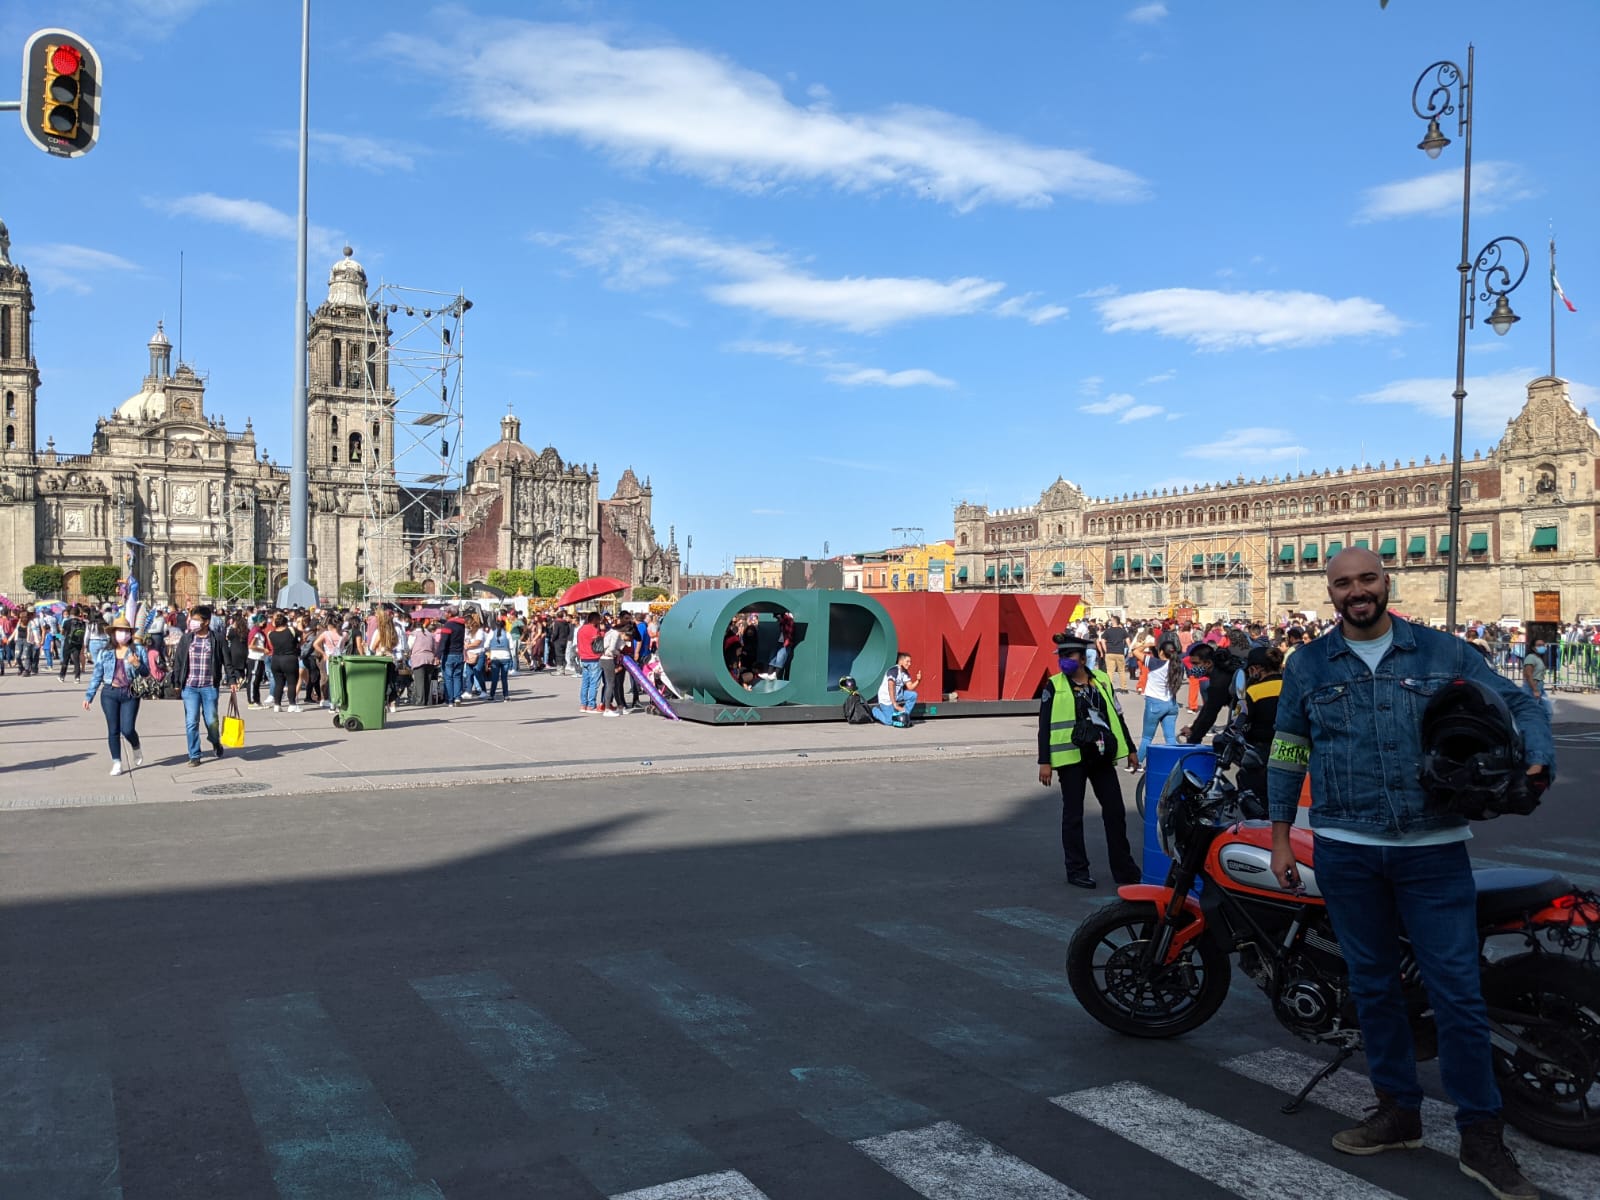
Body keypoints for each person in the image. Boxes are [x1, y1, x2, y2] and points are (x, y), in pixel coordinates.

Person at [1267, 547, 1551, 1199]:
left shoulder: (1441, 652)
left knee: (1456, 991)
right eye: (1342, 583)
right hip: (1343, 847)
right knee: (1372, 987)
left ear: (1386, 583)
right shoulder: (1309, 664)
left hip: (1432, 848)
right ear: (1330, 593)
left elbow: (1520, 702)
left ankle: (1482, 1137)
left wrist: (1535, 759)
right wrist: (1283, 837)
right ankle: (1398, 1112)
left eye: (1366, 579)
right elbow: (1287, 748)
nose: (1355, 591)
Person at [1037, 632, 1141, 888]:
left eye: (1068, 655)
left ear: (1083, 658)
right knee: (1073, 815)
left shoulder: (1103, 680)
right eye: (1061, 656)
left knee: (1115, 812)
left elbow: (1118, 716)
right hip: (1071, 758)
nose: (1064, 660)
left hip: (1101, 755)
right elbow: (1044, 725)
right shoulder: (1054, 685)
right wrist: (1045, 761)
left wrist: (1130, 748)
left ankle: (1124, 870)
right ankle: (1077, 870)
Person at [81, 615, 149, 776]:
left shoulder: (137, 650)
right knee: (113, 730)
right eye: (119, 631)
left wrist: (137, 664)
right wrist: (88, 696)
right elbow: (97, 674)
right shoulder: (106, 652)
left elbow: (147, 673)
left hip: (130, 693)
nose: (122, 634)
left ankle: (135, 745)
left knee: (128, 728)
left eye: (125, 631)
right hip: (110, 693)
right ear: (113, 633)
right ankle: (117, 762)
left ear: (130, 634)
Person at [171, 604, 235, 767]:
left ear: (206, 622)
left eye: (196, 620)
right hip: (190, 686)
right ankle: (194, 754)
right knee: (191, 721)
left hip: (209, 686)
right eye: (192, 619)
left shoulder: (217, 638)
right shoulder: (187, 638)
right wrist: (177, 682)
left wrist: (232, 679)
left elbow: (227, 661)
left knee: (211, 721)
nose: (192, 622)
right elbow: (178, 661)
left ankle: (215, 741)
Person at [1235, 644, 1283, 802]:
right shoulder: (1291, 685)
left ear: (1257, 669)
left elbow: (1240, 720)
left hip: (1263, 750)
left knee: (1250, 787)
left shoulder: (1253, 692)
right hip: (1292, 749)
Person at [1134, 636, 1185, 771]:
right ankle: (1176, 764)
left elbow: (1135, 652)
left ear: (1161, 652)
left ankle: (1137, 763)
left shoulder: (1154, 663)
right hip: (1171, 704)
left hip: (1155, 704)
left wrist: (1147, 644)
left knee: (1147, 737)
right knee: (1170, 737)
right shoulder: (1178, 665)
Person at [873, 651, 920, 726]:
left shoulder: (905, 672)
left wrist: (918, 680)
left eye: (910, 662)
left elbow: (910, 687)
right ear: (901, 661)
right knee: (889, 722)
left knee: (913, 695)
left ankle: (904, 715)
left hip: (897, 695)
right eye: (907, 661)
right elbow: (891, 688)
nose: (909, 664)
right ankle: (875, 711)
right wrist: (895, 704)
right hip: (886, 698)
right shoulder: (893, 671)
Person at [576, 611, 605, 713]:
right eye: (598, 619)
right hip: (593, 658)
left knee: (585, 683)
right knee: (594, 683)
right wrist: (602, 631)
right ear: (594, 619)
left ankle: (583, 704)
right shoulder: (593, 630)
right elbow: (600, 639)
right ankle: (591, 705)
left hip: (583, 658)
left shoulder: (581, 629)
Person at [1522, 636, 1554, 722]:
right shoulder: (1530, 657)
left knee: (1548, 711)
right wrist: (1535, 690)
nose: (1542, 647)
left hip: (1539, 687)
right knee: (1531, 712)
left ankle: (1543, 730)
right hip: (1532, 687)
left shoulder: (1538, 658)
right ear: (1533, 647)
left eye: (1543, 645)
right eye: (1539, 645)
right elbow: (1528, 674)